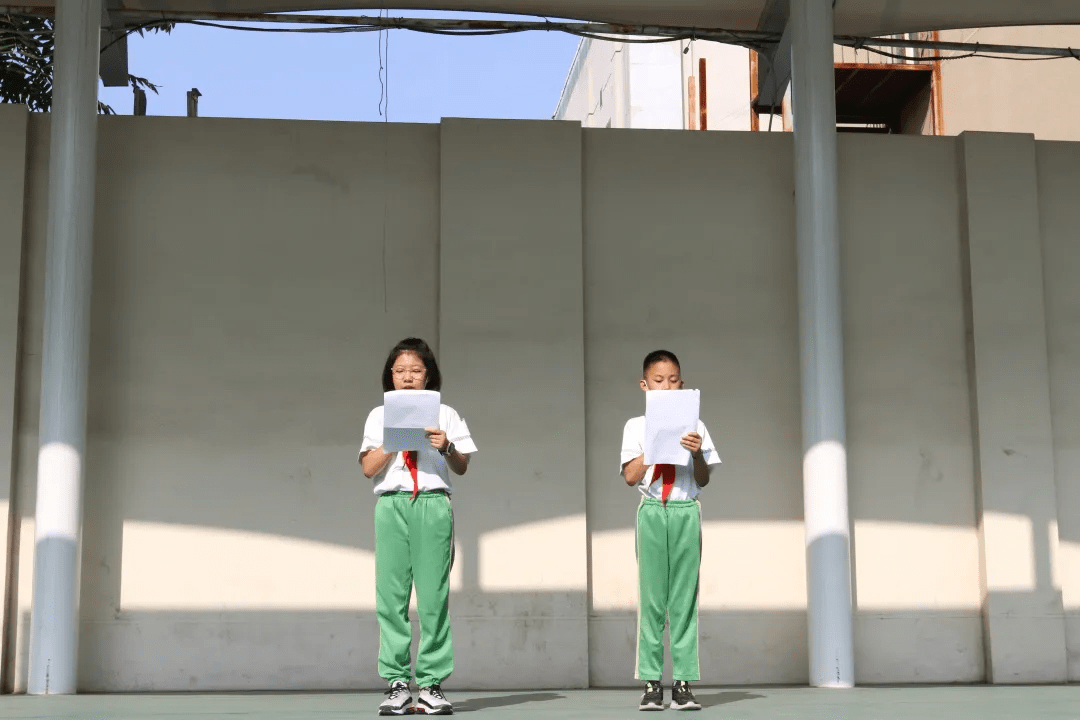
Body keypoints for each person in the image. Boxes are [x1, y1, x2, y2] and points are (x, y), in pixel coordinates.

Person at [360, 338, 476, 716]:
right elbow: (367, 468)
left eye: (415, 371)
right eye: (400, 371)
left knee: (433, 598)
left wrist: (446, 446)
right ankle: (396, 683)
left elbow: (461, 466)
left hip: (432, 504)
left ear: (428, 376)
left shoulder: (447, 413)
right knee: (391, 598)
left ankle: (430, 684)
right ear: (390, 376)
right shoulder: (379, 416)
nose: (407, 378)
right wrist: (393, 442)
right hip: (391, 504)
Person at [620, 350, 721, 711]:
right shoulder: (635, 425)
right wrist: (653, 445)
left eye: (674, 380)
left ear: (682, 383)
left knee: (684, 598)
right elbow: (630, 477)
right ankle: (650, 682)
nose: (667, 386)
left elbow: (704, 479)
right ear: (645, 385)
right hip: (651, 509)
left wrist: (696, 454)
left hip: (684, 509)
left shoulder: (696, 425)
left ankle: (682, 682)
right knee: (652, 598)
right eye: (659, 381)